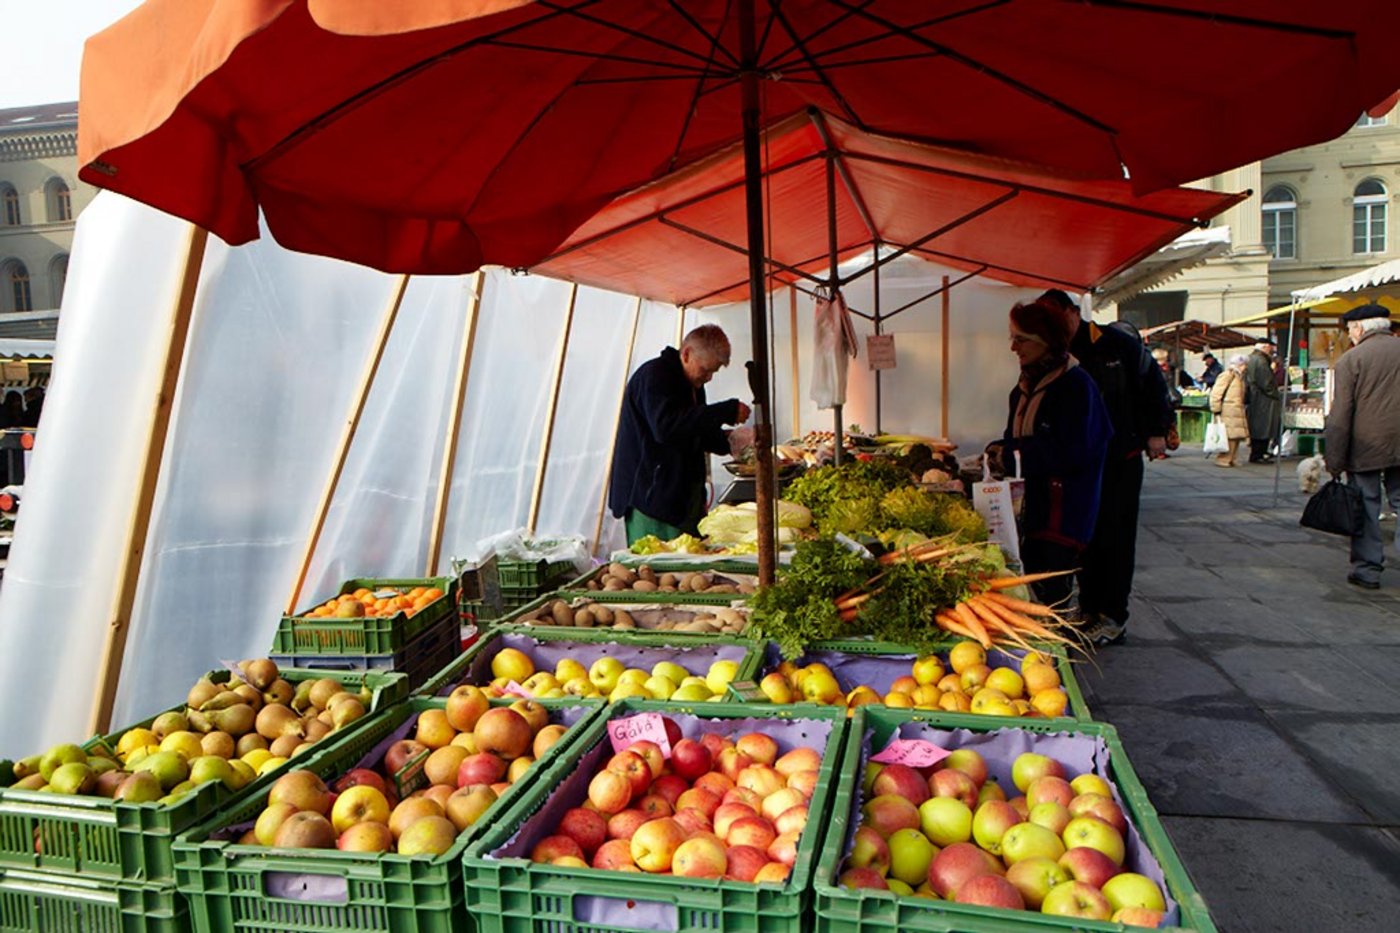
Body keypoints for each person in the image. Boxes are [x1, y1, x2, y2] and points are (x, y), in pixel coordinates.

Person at [1038, 289, 1173, 646]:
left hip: (1118, 460)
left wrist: (1157, 431)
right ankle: (1089, 608)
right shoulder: (1055, 354)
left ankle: (1114, 617)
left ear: (1071, 312)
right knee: (1085, 537)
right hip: (1081, 466)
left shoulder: (1113, 343)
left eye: (1054, 315)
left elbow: (1153, 385)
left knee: (1116, 538)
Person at [1000, 300, 1113, 609]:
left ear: (1045, 341)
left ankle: (1056, 654)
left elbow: (1071, 453)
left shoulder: (1076, 387)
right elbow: (1018, 439)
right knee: (1034, 593)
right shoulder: (1024, 387)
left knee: (1052, 598)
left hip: (1062, 515)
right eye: (1012, 337)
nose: (1013, 347)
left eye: (1021, 339)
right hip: (1033, 511)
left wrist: (1009, 457)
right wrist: (1000, 449)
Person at [609, 324, 750, 545]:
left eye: (713, 372)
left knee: (686, 569)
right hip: (651, 498)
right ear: (686, 354)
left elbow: (694, 429)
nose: (709, 378)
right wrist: (726, 410)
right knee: (659, 569)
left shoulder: (692, 385)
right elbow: (666, 428)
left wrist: (729, 440)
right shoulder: (655, 376)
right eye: (706, 370)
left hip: (680, 496)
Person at [1323, 304, 1400, 590]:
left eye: (1349, 330)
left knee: (1367, 506)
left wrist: (1335, 458)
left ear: (1359, 328)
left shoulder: (1352, 360)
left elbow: (1341, 413)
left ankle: (1367, 570)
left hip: (1365, 446)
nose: (1349, 335)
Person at [1208, 354, 1249, 467]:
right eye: (1244, 364)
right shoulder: (1227, 375)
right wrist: (1215, 408)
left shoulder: (1238, 376)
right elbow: (1217, 392)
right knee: (1229, 436)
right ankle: (1224, 459)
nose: (1246, 367)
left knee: (1235, 436)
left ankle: (1232, 458)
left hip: (1236, 409)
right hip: (1228, 409)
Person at [1245, 339, 1281, 463]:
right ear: (1265, 347)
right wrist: (1276, 394)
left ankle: (1258, 453)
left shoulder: (1251, 358)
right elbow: (1266, 382)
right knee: (1264, 426)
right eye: (1271, 347)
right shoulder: (1261, 361)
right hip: (1263, 399)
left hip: (1255, 397)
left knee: (1257, 426)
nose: (1272, 350)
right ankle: (1259, 454)